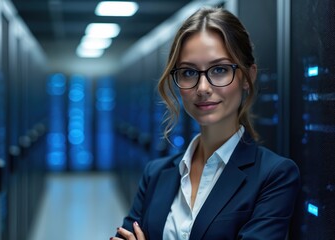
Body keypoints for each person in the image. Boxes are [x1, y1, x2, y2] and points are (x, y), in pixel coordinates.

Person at [111, 7, 300, 240]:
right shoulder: (156, 173)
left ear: (248, 77)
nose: (202, 88)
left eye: (219, 70)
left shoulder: (274, 176)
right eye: (189, 73)